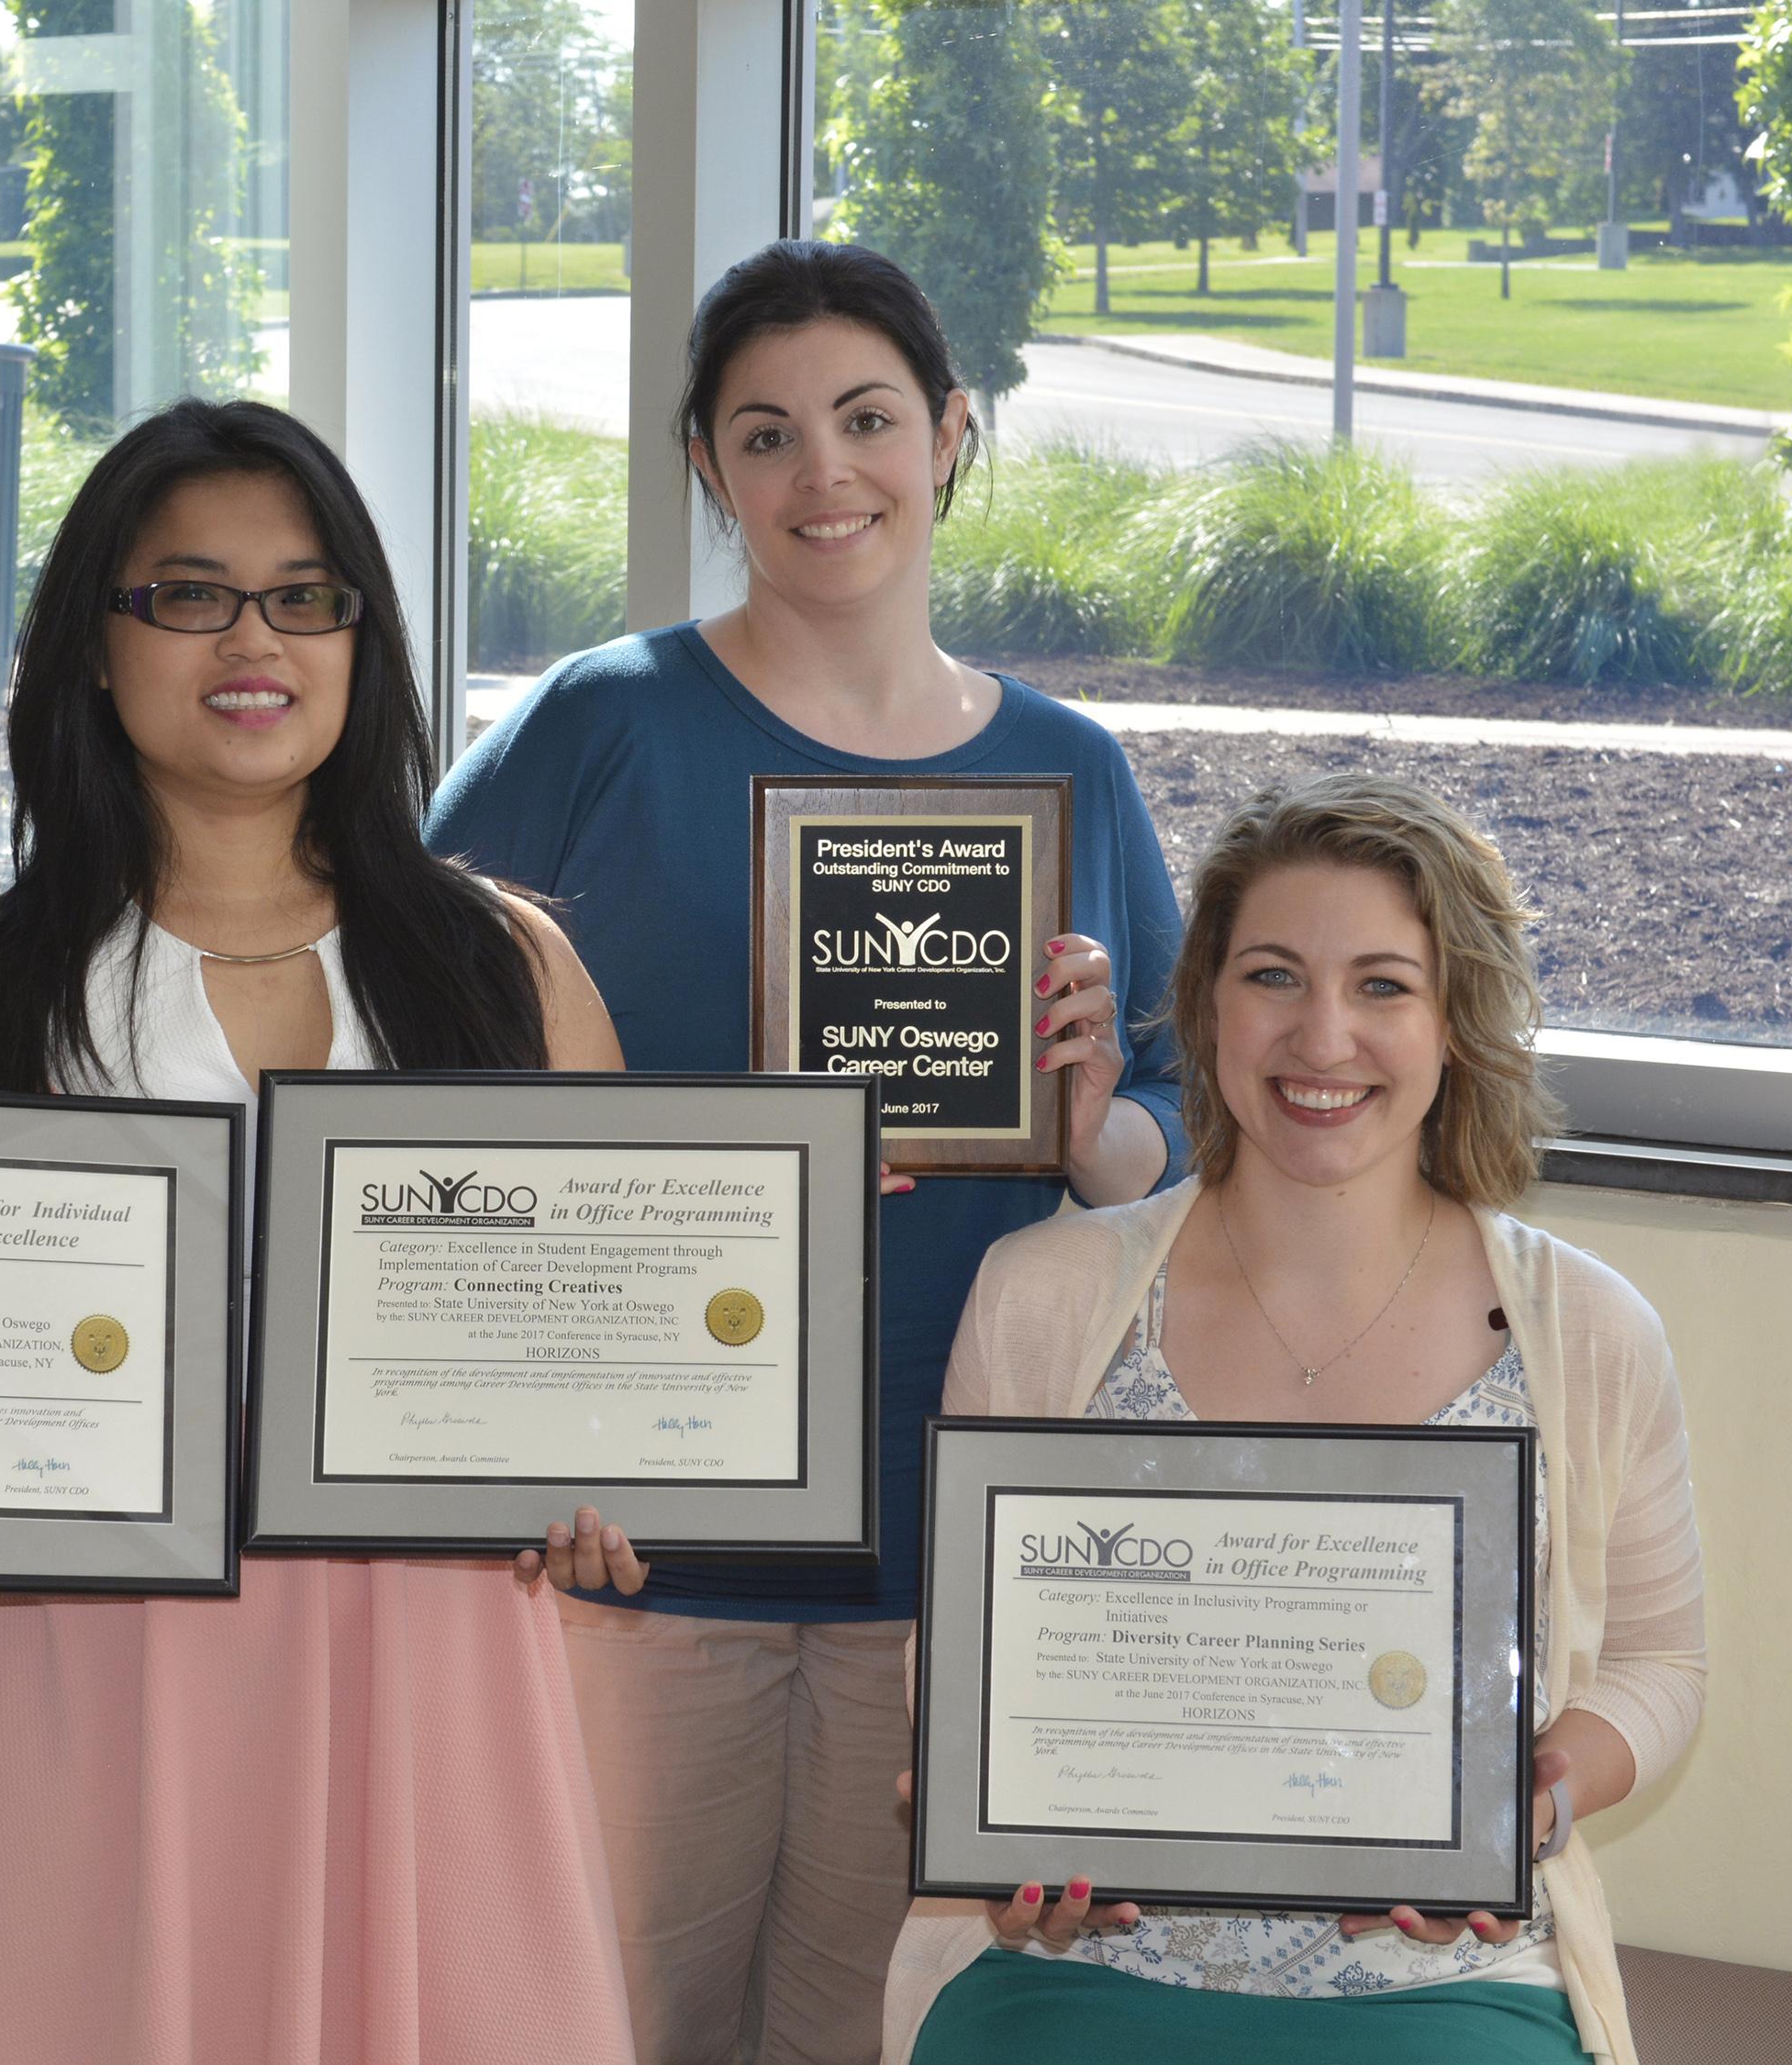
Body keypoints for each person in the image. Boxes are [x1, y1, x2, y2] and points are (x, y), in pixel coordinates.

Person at [0, 397, 642, 2065]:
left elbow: (604, 1351)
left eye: (307, 596)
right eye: (192, 593)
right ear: (96, 641)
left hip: (414, 1697)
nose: (255, 640)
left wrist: (622, 1480)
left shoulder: (506, 969)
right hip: (57, 1688)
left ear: (362, 637)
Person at [425, 238, 1186, 2060]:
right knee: (604, 2011)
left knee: (871, 2028)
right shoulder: (603, 724)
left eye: (865, 422)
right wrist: (685, 1170)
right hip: (638, 1535)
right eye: (764, 436)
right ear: (706, 466)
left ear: (952, 435)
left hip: (946, 1531)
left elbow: (1172, 1131)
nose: (822, 475)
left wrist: (1089, 1128)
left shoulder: (1073, 767)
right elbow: (413, 1039)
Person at [884, 774, 1708, 2065]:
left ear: (1455, 1020)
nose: (1323, 1037)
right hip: (1079, 1961)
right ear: (1207, 1005)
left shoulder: (1591, 1331)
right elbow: (969, 1649)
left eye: (1383, 984)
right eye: (1273, 975)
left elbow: (1662, 1666)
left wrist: (1530, 1802)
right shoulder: (1040, 1296)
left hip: (1439, 1979)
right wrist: (983, 1808)